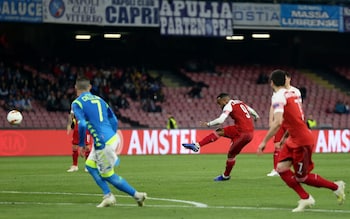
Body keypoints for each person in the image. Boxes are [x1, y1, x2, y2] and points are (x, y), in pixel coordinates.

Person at [257, 69, 345, 212]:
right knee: (281, 168)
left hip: (302, 141)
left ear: (271, 82)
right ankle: (305, 198)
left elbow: (278, 122)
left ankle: (336, 187)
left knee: (301, 178)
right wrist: (286, 136)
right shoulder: (294, 93)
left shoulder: (278, 96)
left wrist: (264, 142)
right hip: (294, 138)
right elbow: (294, 118)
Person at [72, 76, 147, 207]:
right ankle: (107, 195)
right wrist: (110, 136)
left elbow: (82, 124)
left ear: (75, 88)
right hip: (109, 137)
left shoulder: (77, 103)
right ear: (90, 87)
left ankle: (137, 195)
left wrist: (82, 145)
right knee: (90, 166)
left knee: (108, 175)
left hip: (102, 141)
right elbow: (114, 120)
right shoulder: (100, 100)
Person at [182, 93, 259, 181]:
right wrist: (256, 116)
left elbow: (221, 120)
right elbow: (251, 110)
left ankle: (226, 176)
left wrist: (208, 124)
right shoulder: (239, 102)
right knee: (219, 132)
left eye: (219, 103)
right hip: (246, 131)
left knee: (231, 155)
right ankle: (197, 145)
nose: (220, 106)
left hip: (242, 132)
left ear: (224, 100)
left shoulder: (228, 106)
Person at [266, 71, 302, 177]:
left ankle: (293, 168)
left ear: (289, 79)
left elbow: (298, 106)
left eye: (286, 78)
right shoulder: (277, 93)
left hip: (291, 122)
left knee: (291, 145)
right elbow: (273, 106)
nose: (285, 80)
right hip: (280, 121)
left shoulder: (295, 91)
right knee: (277, 144)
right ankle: (276, 169)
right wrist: (271, 120)